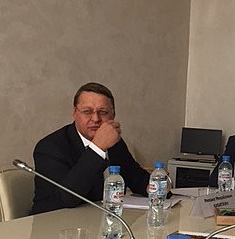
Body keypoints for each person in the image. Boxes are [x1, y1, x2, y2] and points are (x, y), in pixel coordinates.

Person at [31, 82, 149, 214]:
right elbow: (66, 199)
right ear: (75, 113)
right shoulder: (50, 147)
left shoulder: (114, 142)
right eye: (87, 112)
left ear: (113, 115)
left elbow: (137, 179)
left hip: (102, 219)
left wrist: (158, 185)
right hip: (54, 222)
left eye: (103, 112)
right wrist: (98, 148)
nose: (96, 119)